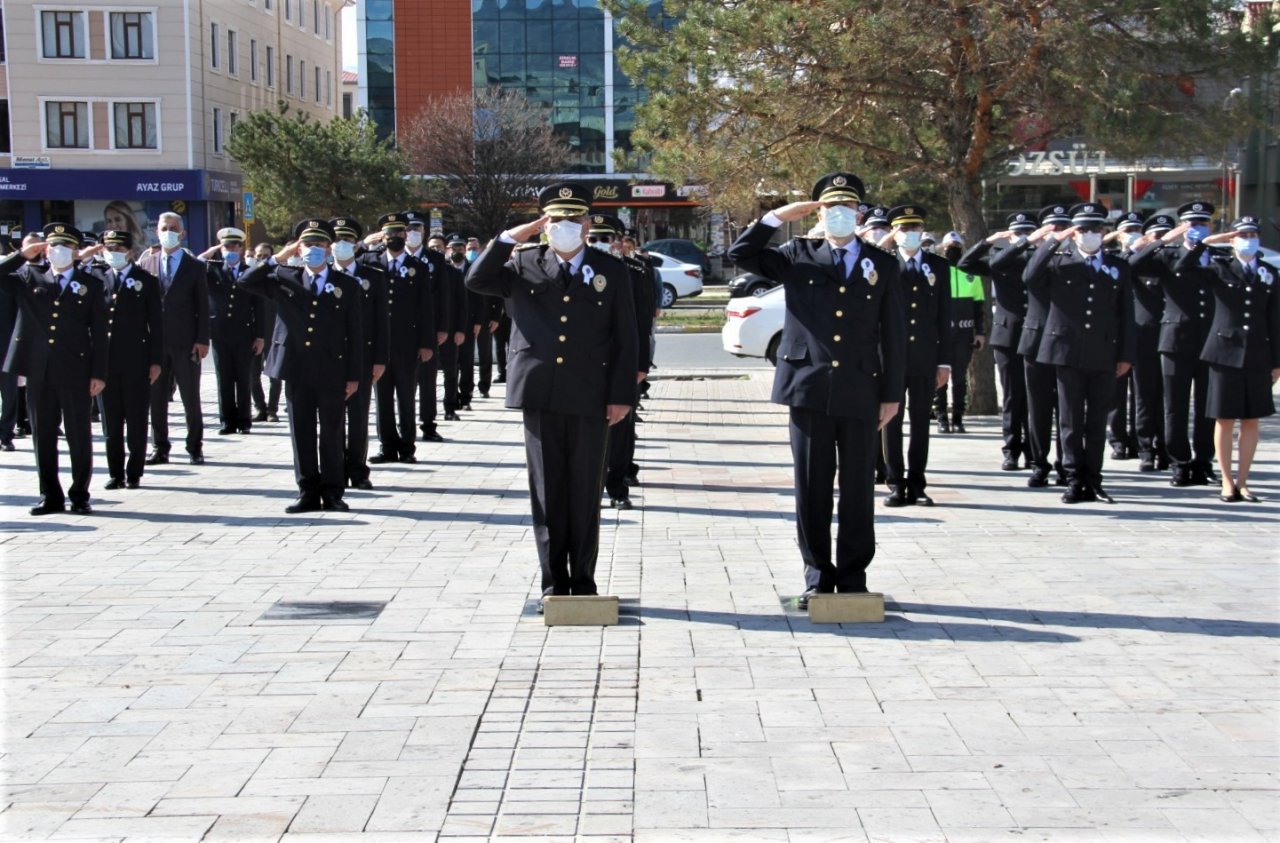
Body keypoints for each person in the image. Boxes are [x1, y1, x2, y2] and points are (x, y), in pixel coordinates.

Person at [728, 172, 905, 607]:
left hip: (862, 388)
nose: (839, 214)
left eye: (846, 207)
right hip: (807, 386)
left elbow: (894, 333)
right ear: (818, 213)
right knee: (812, 485)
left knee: (860, 486)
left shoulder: (881, 263)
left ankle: (854, 574)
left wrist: (892, 393)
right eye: (829, 208)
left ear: (859, 213)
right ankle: (817, 575)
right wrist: (775, 216)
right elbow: (741, 253)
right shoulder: (797, 253)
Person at [466, 182, 638, 609]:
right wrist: (511, 237)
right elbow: (476, 278)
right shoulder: (522, 264)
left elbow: (626, 338)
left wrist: (621, 395)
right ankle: (552, 580)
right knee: (546, 489)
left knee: (584, 488)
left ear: (585, 224)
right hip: (540, 391)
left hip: (591, 393)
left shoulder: (611, 269)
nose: (564, 227)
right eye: (555, 220)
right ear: (544, 225)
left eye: (572, 219)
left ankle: (583, 578)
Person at [238, 219, 363, 513]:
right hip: (296, 367)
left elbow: (355, 333)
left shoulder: (346, 284)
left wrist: (354, 375)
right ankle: (307, 490)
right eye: (308, 245)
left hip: (332, 368)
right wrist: (279, 256)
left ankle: (333, 491)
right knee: (301, 431)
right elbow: (245, 281)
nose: (313, 250)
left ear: (329, 248)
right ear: (299, 247)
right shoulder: (284, 276)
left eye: (319, 245)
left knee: (332, 431)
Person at [1022, 202, 1134, 504]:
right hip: (1066, 351)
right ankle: (1073, 480)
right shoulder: (1059, 261)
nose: (1089, 234)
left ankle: (1093, 479)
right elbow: (1030, 277)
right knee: (1070, 422)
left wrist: (1125, 355)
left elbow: (1125, 313)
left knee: (1097, 421)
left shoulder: (1118, 266)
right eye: (1083, 229)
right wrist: (1054, 239)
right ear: (1074, 232)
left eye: (1095, 229)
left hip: (1103, 352)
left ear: (1104, 232)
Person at [0, 224, 108, 515]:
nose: (57, 251)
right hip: (38, 369)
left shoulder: (91, 284)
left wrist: (99, 373)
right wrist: (23, 254)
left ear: (75, 251)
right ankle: (50, 495)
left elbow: (99, 332)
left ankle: (80, 494)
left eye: (64, 246)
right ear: (45, 250)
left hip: (75, 367)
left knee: (78, 434)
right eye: (52, 245)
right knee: (43, 434)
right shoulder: (28, 275)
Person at [1174, 216, 1279, 502]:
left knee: (1251, 420)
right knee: (1224, 419)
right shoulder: (1219, 267)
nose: (1249, 239)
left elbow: (1274, 318)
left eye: (1253, 234)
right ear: (1232, 239)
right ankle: (1226, 481)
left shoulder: (1269, 272)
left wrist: (1276, 361)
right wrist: (1207, 242)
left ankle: (1244, 481)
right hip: (1223, 353)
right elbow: (1182, 268)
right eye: (1242, 234)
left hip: (1257, 354)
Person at [1128, 201, 1218, 487]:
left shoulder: (1218, 256)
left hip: (1210, 341)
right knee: (1174, 406)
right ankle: (1179, 462)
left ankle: (1204, 462)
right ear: (1182, 228)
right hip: (1176, 340)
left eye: (1202, 223)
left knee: (1208, 406)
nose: (1197, 229)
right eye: (1191, 224)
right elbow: (1133, 265)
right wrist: (1162, 241)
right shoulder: (1168, 255)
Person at [992, 204, 1073, 486]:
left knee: (1067, 408)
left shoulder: (1076, 257)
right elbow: (1013, 270)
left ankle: (1067, 465)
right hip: (1035, 337)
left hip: (1066, 340)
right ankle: (1039, 462)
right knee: (1036, 406)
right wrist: (1039, 241)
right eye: (1053, 228)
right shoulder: (1034, 255)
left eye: (1063, 228)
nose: (1059, 233)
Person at [878, 204, 952, 507]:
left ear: (923, 232)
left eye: (914, 229)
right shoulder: (883, 263)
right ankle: (895, 482)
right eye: (903, 229)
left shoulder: (938, 266)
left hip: (924, 357)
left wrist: (944, 361)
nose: (910, 234)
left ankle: (917, 484)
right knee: (891, 422)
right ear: (894, 234)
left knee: (921, 422)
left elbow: (945, 316)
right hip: (892, 358)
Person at [958, 211, 1036, 470]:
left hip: (1036, 333)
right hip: (1008, 334)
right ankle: (1012, 449)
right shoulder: (1001, 259)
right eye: (1018, 233)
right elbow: (965, 264)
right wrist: (988, 241)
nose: (1023, 238)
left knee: (1036, 397)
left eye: (1027, 233)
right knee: (1013, 395)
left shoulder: (1042, 256)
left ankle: (1035, 451)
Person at [591, 213, 655, 510]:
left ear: (618, 241)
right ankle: (589, 487)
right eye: (593, 238)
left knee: (621, 428)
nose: (598, 244)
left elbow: (642, 323)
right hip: (586, 362)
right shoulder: (580, 268)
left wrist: (641, 365)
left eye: (605, 238)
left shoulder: (634, 270)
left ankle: (617, 486)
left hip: (622, 361)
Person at [92, 230, 162, 489]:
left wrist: (156, 361)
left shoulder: (146, 280)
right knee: (110, 422)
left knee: (136, 419)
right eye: (109, 248)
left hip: (136, 360)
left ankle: (134, 472)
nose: (114, 253)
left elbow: (156, 324)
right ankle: (115, 473)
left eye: (119, 249)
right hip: (105, 362)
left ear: (130, 252)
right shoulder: (97, 278)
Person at [362, 213, 435, 461]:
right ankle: (387, 446)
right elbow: (346, 261)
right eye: (390, 233)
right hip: (379, 344)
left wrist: (427, 343)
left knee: (406, 396)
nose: (395, 237)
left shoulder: (418, 267)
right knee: (382, 398)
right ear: (383, 236)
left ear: (405, 235)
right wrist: (363, 243)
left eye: (399, 232)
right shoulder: (371, 263)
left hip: (408, 343)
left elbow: (426, 308)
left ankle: (407, 448)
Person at [141, 212, 209, 465]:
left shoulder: (195, 266)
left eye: (173, 228)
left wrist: (202, 339)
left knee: (190, 397)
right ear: (156, 232)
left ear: (182, 233)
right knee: (156, 399)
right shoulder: (147, 264)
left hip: (186, 341)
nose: (168, 231)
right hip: (156, 344)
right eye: (163, 228)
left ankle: (195, 447)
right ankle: (160, 447)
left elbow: (202, 306)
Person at [329, 216, 389, 490]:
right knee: (331, 418)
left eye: (348, 240)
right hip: (328, 357)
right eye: (337, 240)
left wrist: (379, 359)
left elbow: (381, 322)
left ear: (356, 245)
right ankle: (334, 469)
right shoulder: (321, 275)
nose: (342, 245)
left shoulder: (372, 276)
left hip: (362, 357)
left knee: (358, 417)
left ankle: (358, 470)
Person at [1107, 212, 1168, 471]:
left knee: (1147, 394)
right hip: (1121, 334)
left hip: (1149, 334)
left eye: (1137, 228)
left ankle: (1149, 442)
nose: (1133, 232)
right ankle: (1119, 439)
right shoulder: (1116, 258)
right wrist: (1116, 239)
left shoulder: (1154, 259)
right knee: (1117, 394)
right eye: (1127, 229)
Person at [199, 228, 264, 436]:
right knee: (223, 378)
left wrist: (260, 335)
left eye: (234, 246)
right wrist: (211, 252)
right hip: (219, 332)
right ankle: (227, 421)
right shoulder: (212, 269)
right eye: (226, 246)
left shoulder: (249, 271)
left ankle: (244, 421)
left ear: (241, 248)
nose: (230, 250)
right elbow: (193, 265)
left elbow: (259, 306)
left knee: (243, 378)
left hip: (244, 332)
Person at [934, 231, 985, 434]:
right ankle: (941, 418)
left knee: (960, 378)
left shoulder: (971, 273)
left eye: (955, 245)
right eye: (948, 246)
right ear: (942, 248)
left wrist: (980, 332)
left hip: (964, 333)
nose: (951, 249)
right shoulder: (937, 271)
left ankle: (957, 418)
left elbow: (979, 307)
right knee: (939, 376)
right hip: (941, 334)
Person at [426, 230, 468, 421]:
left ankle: (450, 407)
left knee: (451, 371)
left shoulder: (453, 273)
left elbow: (462, 303)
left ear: (446, 250)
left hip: (450, 330)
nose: (436, 250)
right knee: (426, 374)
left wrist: (460, 329)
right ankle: (427, 411)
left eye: (439, 247)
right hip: (426, 330)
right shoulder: (421, 270)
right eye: (432, 247)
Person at [249, 242, 282, 423]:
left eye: (266, 256)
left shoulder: (276, 276)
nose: (261, 259)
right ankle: (259, 407)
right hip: (254, 332)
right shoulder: (250, 277)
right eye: (258, 256)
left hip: (274, 331)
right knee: (253, 374)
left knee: (274, 374)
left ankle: (272, 409)